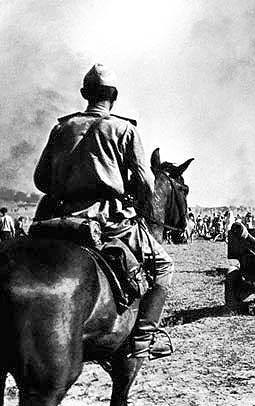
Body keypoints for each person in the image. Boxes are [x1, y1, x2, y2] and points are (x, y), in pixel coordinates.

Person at [33, 64, 173, 359]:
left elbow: (41, 180)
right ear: (114, 96)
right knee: (163, 267)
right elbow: (145, 182)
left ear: (84, 93)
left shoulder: (61, 128)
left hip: (59, 219)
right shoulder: (125, 129)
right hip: (106, 219)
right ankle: (143, 339)